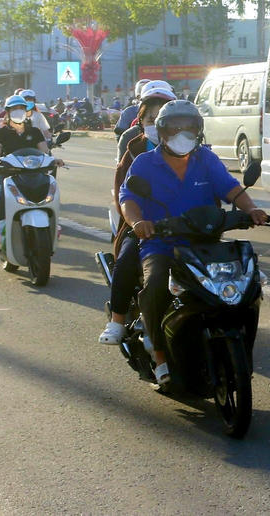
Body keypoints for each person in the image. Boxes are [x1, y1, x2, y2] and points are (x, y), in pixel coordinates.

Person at [117, 100, 269, 385]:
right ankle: (160, 357)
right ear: (162, 131)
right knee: (156, 285)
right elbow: (129, 199)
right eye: (174, 128)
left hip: (205, 242)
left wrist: (251, 210)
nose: (181, 134)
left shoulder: (206, 159)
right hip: (161, 245)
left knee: (248, 281)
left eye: (188, 128)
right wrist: (138, 223)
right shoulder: (145, 163)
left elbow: (231, 189)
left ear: (198, 131)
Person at [97, 81, 177, 345]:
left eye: (162, 117)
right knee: (127, 259)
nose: (156, 124)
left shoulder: (192, 149)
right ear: (141, 120)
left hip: (185, 224)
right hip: (144, 226)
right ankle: (117, 320)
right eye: (150, 118)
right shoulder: (133, 151)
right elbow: (124, 193)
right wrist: (137, 221)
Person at [0, 94, 64, 250]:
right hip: (7, 173)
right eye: (14, 109)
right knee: (2, 194)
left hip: (32, 173)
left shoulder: (34, 131)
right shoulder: (0, 133)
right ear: (7, 112)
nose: (18, 111)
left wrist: (53, 160)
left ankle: (53, 224)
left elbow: (45, 152)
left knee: (50, 189)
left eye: (21, 108)